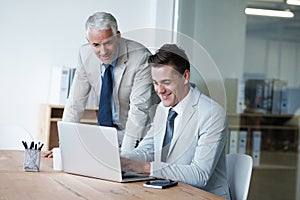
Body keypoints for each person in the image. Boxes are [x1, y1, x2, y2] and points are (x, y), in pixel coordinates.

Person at [121, 44, 231, 199]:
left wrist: (146, 168)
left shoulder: (212, 114)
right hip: (169, 191)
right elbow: (148, 149)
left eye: (166, 82)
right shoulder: (162, 108)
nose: (159, 90)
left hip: (203, 196)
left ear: (185, 77)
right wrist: (120, 160)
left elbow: (200, 175)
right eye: (155, 83)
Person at [43, 12, 157, 157]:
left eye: (108, 43)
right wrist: (64, 147)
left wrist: (126, 158)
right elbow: (75, 103)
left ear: (118, 36)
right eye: (96, 45)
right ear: (88, 41)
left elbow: (139, 110)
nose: (103, 52)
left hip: (140, 134)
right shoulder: (85, 54)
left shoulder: (140, 57)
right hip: (108, 133)